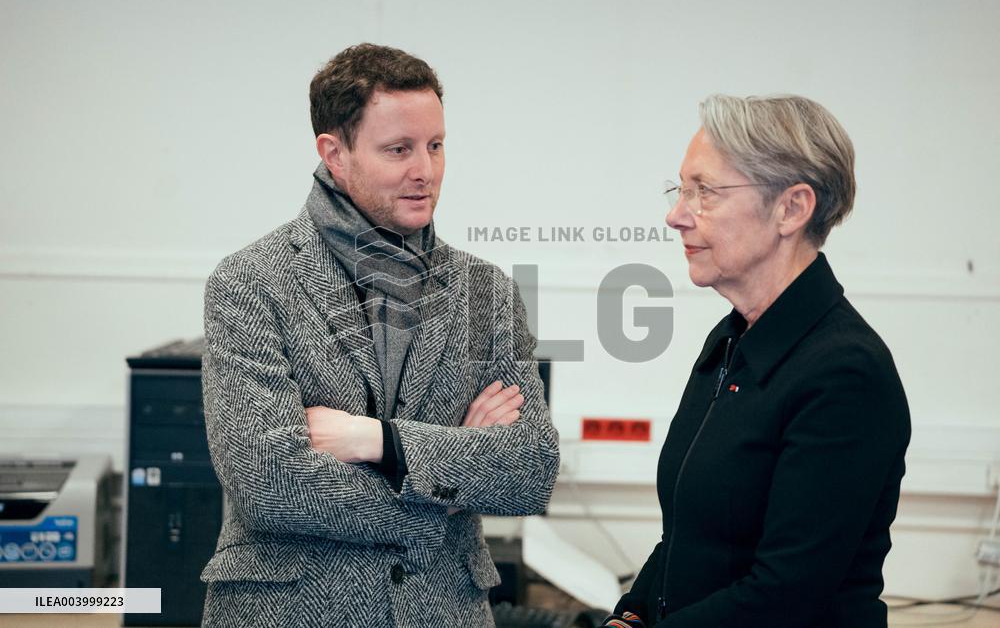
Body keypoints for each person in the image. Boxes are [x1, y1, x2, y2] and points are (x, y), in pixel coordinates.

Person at [199, 43, 559, 627]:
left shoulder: (486, 293)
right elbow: (268, 484)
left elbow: (530, 471)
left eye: (436, 146)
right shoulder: (250, 283)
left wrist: (378, 441)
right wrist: (445, 484)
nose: (426, 170)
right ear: (334, 153)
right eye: (399, 150)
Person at [604, 95, 910, 627]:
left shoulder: (845, 373)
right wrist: (629, 614)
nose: (676, 215)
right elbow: (687, 539)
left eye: (705, 192)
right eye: (681, 190)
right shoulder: (730, 342)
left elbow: (785, 594)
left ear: (791, 208)